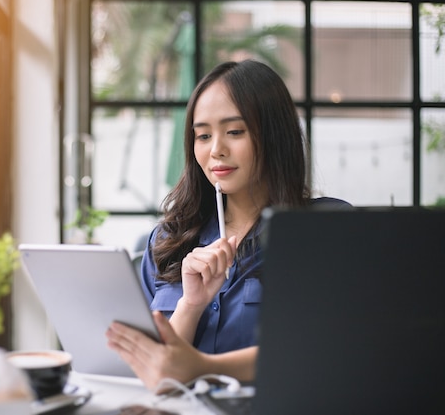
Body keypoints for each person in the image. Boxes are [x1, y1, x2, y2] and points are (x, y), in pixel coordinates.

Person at [105, 59, 350, 391]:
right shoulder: (167, 240)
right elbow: (157, 370)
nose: (216, 150)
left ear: (274, 136)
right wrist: (190, 305)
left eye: (235, 132)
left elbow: (330, 349)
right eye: (203, 135)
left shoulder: (324, 229)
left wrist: (203, 367)